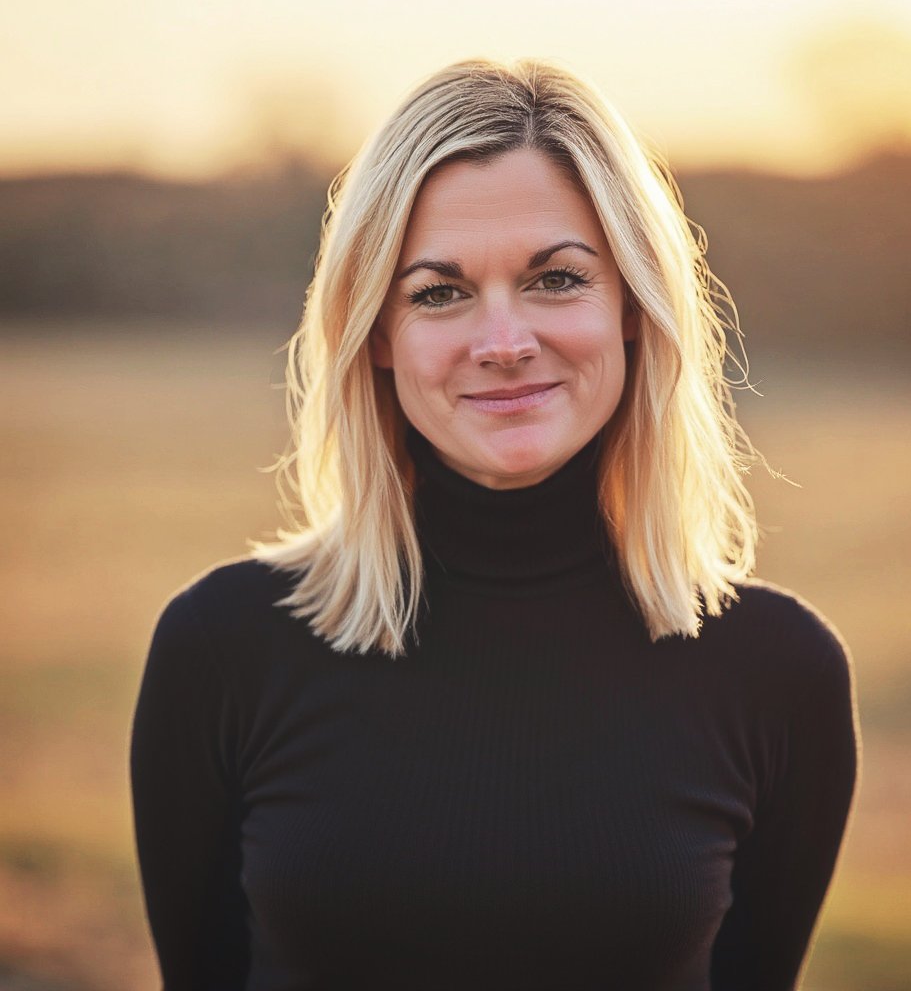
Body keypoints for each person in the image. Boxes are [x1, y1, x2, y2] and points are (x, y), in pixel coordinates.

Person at [131, 58, 858, 990]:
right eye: (438, 292)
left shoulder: (779, 672)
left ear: (633, 306)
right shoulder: (222, 649)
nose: (505, 342)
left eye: (556, 278)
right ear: (377, 335)